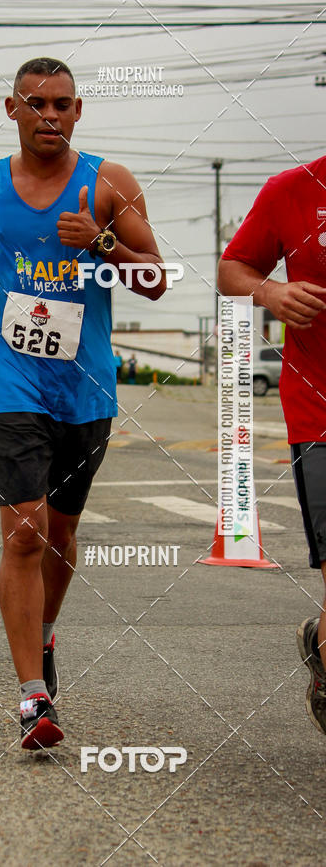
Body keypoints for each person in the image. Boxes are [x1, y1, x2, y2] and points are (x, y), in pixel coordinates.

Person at [0, 57, 165, 749]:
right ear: (12, 110)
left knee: (61, 534)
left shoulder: (109, 183)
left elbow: (155, 279)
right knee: (26, 531)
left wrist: (101, 241)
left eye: (62, 104)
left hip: (84, 383)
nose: (50, 116)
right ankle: (33, 697)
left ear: (79, 111)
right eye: (36, 105)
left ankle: (44, 633)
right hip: (7, 378)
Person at [218, 153, 326, 735]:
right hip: (319, 411)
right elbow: (233, 266)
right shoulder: (293, 190)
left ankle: (320, 638)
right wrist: (272, 292)